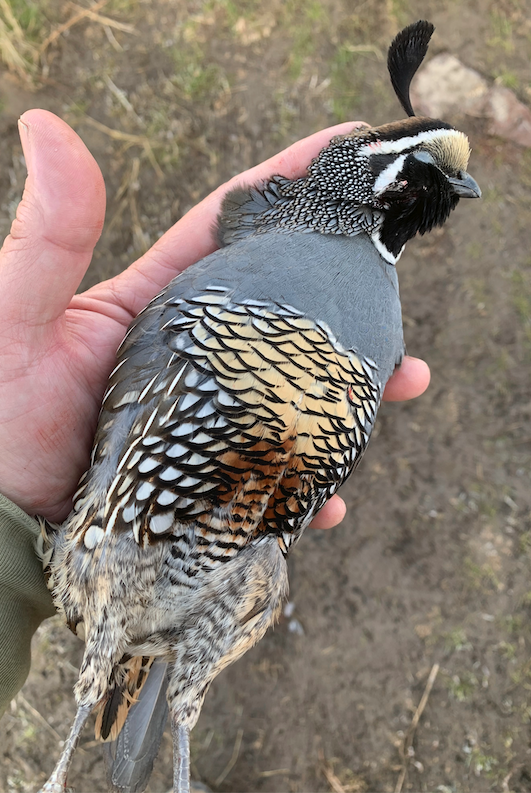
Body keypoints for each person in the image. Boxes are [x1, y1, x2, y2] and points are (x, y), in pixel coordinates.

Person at [0, 110, 430, 716]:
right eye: (427, 175)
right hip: (125, 531)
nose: (453, 189)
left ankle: (166, 644)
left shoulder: (382, 318)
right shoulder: (243, 270)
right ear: (370, 180)